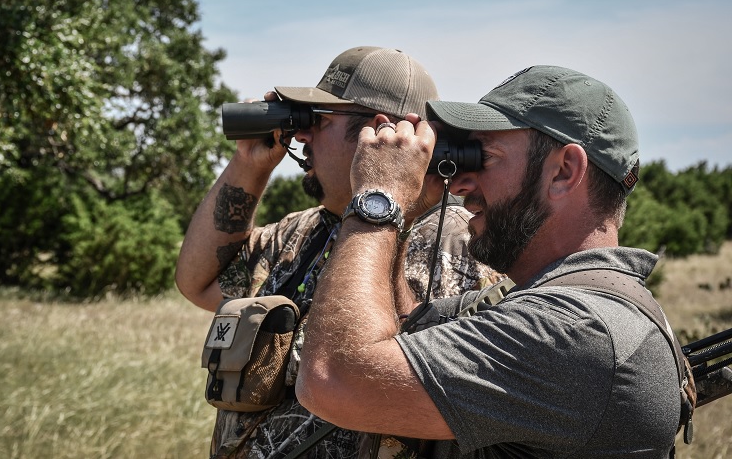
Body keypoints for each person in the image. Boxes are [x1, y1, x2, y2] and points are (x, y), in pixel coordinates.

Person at [296, 65, 684, 458]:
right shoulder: (545, 304)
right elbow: (398, 329)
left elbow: (331, 378)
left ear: (563, 172)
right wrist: (406, 212)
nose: (461, 185)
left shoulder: (578, 331)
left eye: (486, 157)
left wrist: (379, 197)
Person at [175, 46, 503, 458]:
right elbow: (198, 281)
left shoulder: (457, 241)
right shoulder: (304, 230)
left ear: (380, 131)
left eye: (318, 121)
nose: (300, 135)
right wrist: (250, 165)